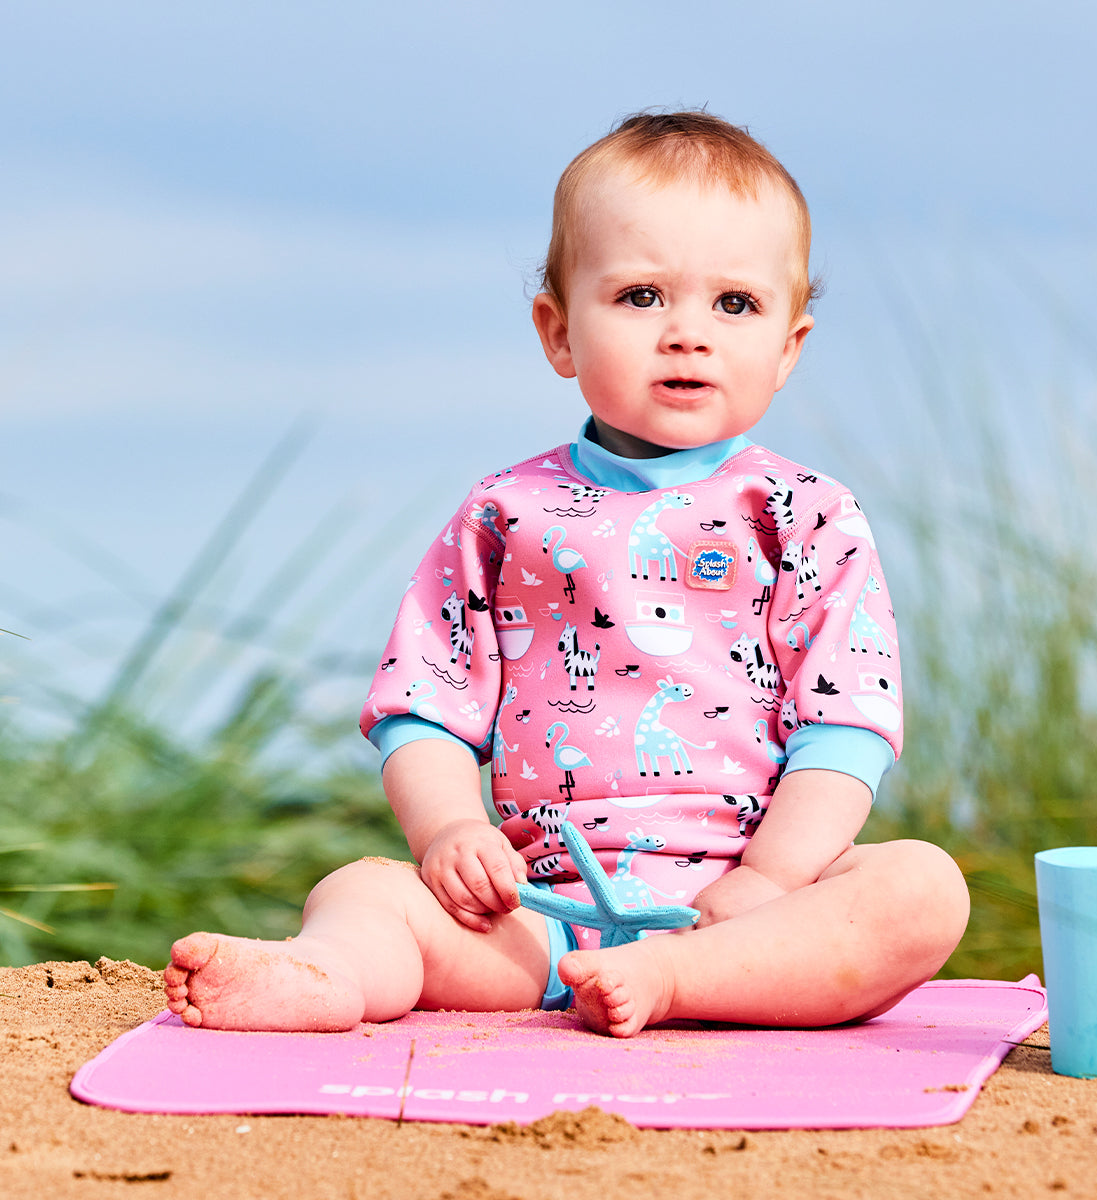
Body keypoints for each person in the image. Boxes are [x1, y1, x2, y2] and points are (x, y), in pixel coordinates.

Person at [165, 111, 969, 1038]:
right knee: (363, 890)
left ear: (789, 348)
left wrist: (775, 879)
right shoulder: (507, 512)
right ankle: (326, 974)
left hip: (748, 910)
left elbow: (847, 722)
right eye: (640, 297)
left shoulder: (804, 514)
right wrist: (449, 834)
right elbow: (424, 700)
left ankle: (683, 979)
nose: (686, 334)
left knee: (918, 888)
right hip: (539, 914)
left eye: (735, 305)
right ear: (558, 332)